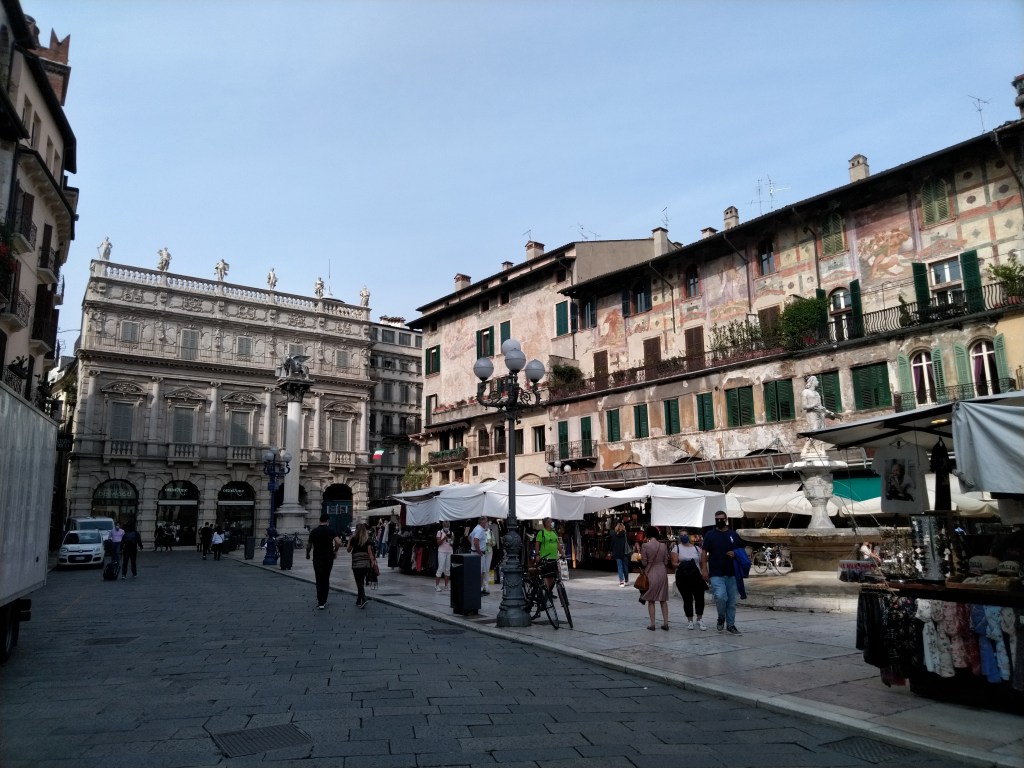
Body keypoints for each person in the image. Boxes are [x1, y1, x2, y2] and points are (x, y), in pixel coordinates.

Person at [701, 512, 744, 635]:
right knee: (720, 596)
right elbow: (704, 552)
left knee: (731, 602)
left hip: (732, 572)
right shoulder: (710, 535)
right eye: (717, 519)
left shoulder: (733, 535)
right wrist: (704, 569)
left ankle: (730, 624)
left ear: (726, 519)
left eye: (721, 519)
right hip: (716, 572)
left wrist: (735, 553)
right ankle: (721, 616)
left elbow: (741, 550)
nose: (719, 521)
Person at [305, 513, 342, 610]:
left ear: (320, 520)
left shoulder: (314, 531)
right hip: (328, 558)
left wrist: (308, 554)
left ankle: (320, 600)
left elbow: (309, 545)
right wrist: (335, 551)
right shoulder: (331, 530)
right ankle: (324, 600)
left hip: (317, 558)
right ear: (327, 521)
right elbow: (338, 542)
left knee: (318, 579)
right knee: (326, 578)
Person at [672, 533, 707, 630]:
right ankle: (690, 620)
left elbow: (702, 562)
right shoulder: (676, 549)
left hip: (696, 576)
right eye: (682, 535)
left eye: (686, 534)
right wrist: (685, 565)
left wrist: (704, 572)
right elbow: (674, 563)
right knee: (687, 599)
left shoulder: (696, 549)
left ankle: (699, 619)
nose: (684, 536)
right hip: (683, 577)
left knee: (699, 597)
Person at [640, 526, 670, 631]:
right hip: (662, 572)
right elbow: (666, 561)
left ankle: (652, 624)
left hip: (651, 572)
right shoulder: (663, 545)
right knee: (663, 599)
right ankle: (666, 623)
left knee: (651, 600)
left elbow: (644, 562)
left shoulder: (645, 546)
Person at [347, 522, 377, 608]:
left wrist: (349, 541)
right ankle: (358, 600)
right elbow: (369, 552)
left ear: (356, 530)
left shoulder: (353, 539)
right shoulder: (366, 540)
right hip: (366, 563)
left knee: (359, 582)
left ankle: (364, 599)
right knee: (361, 581)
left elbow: (348, 550)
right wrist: (372, 562)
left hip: (356, 563)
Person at [533, 517, 563, 594]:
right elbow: (537, 544)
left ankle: (548, 591)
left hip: (554, 557)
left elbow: (558, 544)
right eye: (550, 522)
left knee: (553, 577)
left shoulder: (554, 533)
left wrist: (562, 553)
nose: (552, 523)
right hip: (545, 558)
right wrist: (537, 554)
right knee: (546, 576)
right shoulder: (541, 533)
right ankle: (546, 592)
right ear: (546, 523)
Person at [470, 517, 491, 594]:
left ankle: (480, 588)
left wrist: (473, 547)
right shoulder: (480, 530)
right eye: (486, 522)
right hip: (478, 553)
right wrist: (479, 551)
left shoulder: (476, 528)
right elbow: (475, 541)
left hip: (475, 552)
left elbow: (469, 537)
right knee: (480, 572)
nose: (487, 524)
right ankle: (479, 589)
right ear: (482, 522)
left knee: (480, 571)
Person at [435, 520, 454, 592]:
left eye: (448, 526)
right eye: (446, 526)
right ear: (443, 526)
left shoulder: (451, 533)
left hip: (449, 552)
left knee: (447, 569)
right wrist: (444, 538)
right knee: (440, 568)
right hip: (442, 552)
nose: (447, 528)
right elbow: (438, 543)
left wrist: (450, 540)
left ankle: (446, 586)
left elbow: (452, 544)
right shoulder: (439, 532)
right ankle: (437, 586)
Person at [610, 522, 630, 587]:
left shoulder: (613, 535)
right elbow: (629, 543)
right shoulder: (625, 535)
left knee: (620, 567)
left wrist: (611, 551)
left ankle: (621, 582)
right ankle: (626, 580)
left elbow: (611, 544)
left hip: (617, 553)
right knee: (625, 567)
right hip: (625, 553)